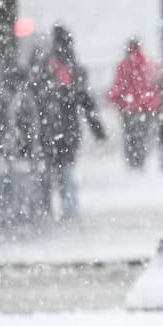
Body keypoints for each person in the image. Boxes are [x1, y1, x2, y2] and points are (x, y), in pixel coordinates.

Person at [33, 23, 107, 220]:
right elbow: (85, 101)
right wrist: (97, 129)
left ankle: (46, 209)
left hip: (49, 128)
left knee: (49, 171)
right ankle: (68, 208)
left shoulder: (47, 65)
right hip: (67, 129)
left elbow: (38, 94)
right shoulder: (73, 67)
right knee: (65, 169)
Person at [107, 37, 160, 169]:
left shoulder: (124, 65)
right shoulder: (148, 63)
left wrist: (113, 99)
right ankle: (141, 161)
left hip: (129, 108)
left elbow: (118, 86)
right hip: (147, 107)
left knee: (130, 137)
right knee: (143, 136)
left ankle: (133, 163)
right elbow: (155, 84)